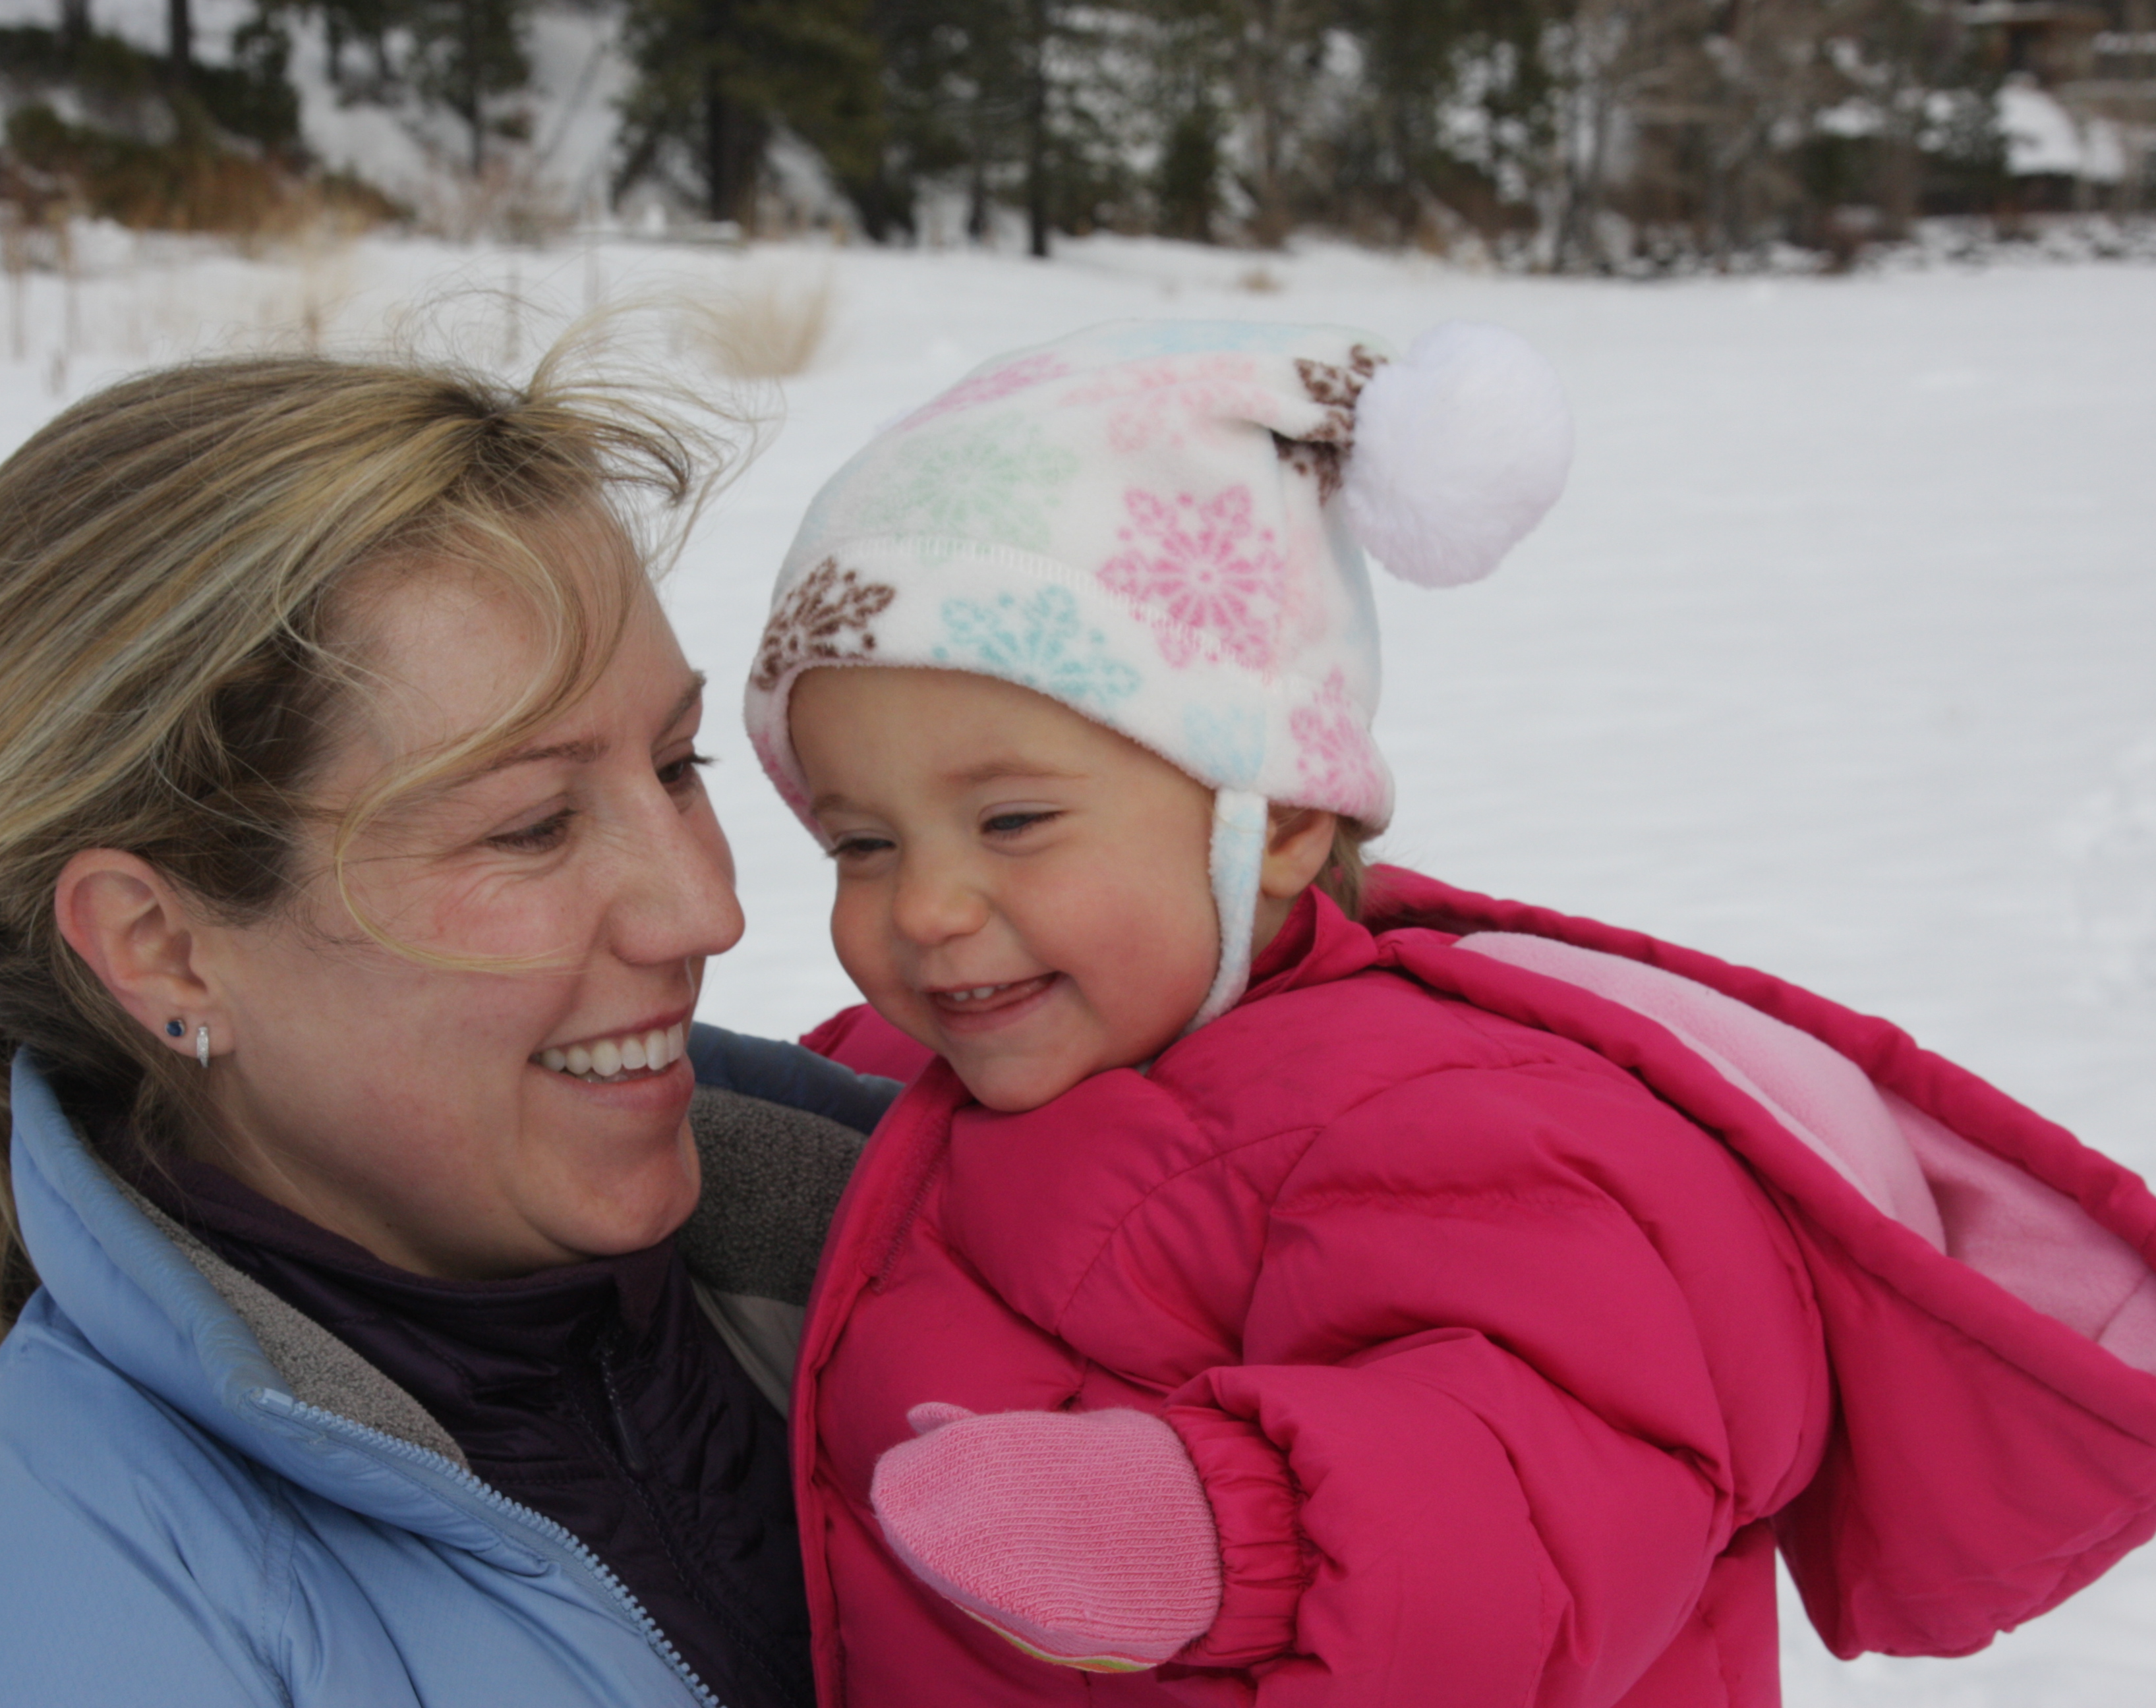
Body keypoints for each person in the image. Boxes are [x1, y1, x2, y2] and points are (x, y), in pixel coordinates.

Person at [741, 318, 2156, 1706]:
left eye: (1012, 820)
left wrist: (1221, 1534)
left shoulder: (1443, 1116)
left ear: (1280, 816)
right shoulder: (923, 1067)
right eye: (861, 843)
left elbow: (1553, 1465)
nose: (926, 907)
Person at [0, 343, 896, 1707]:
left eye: (677, 764)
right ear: (163, 950)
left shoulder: (905, 1252)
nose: (703, 909)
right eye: (531, 827)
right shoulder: (64, 1643)